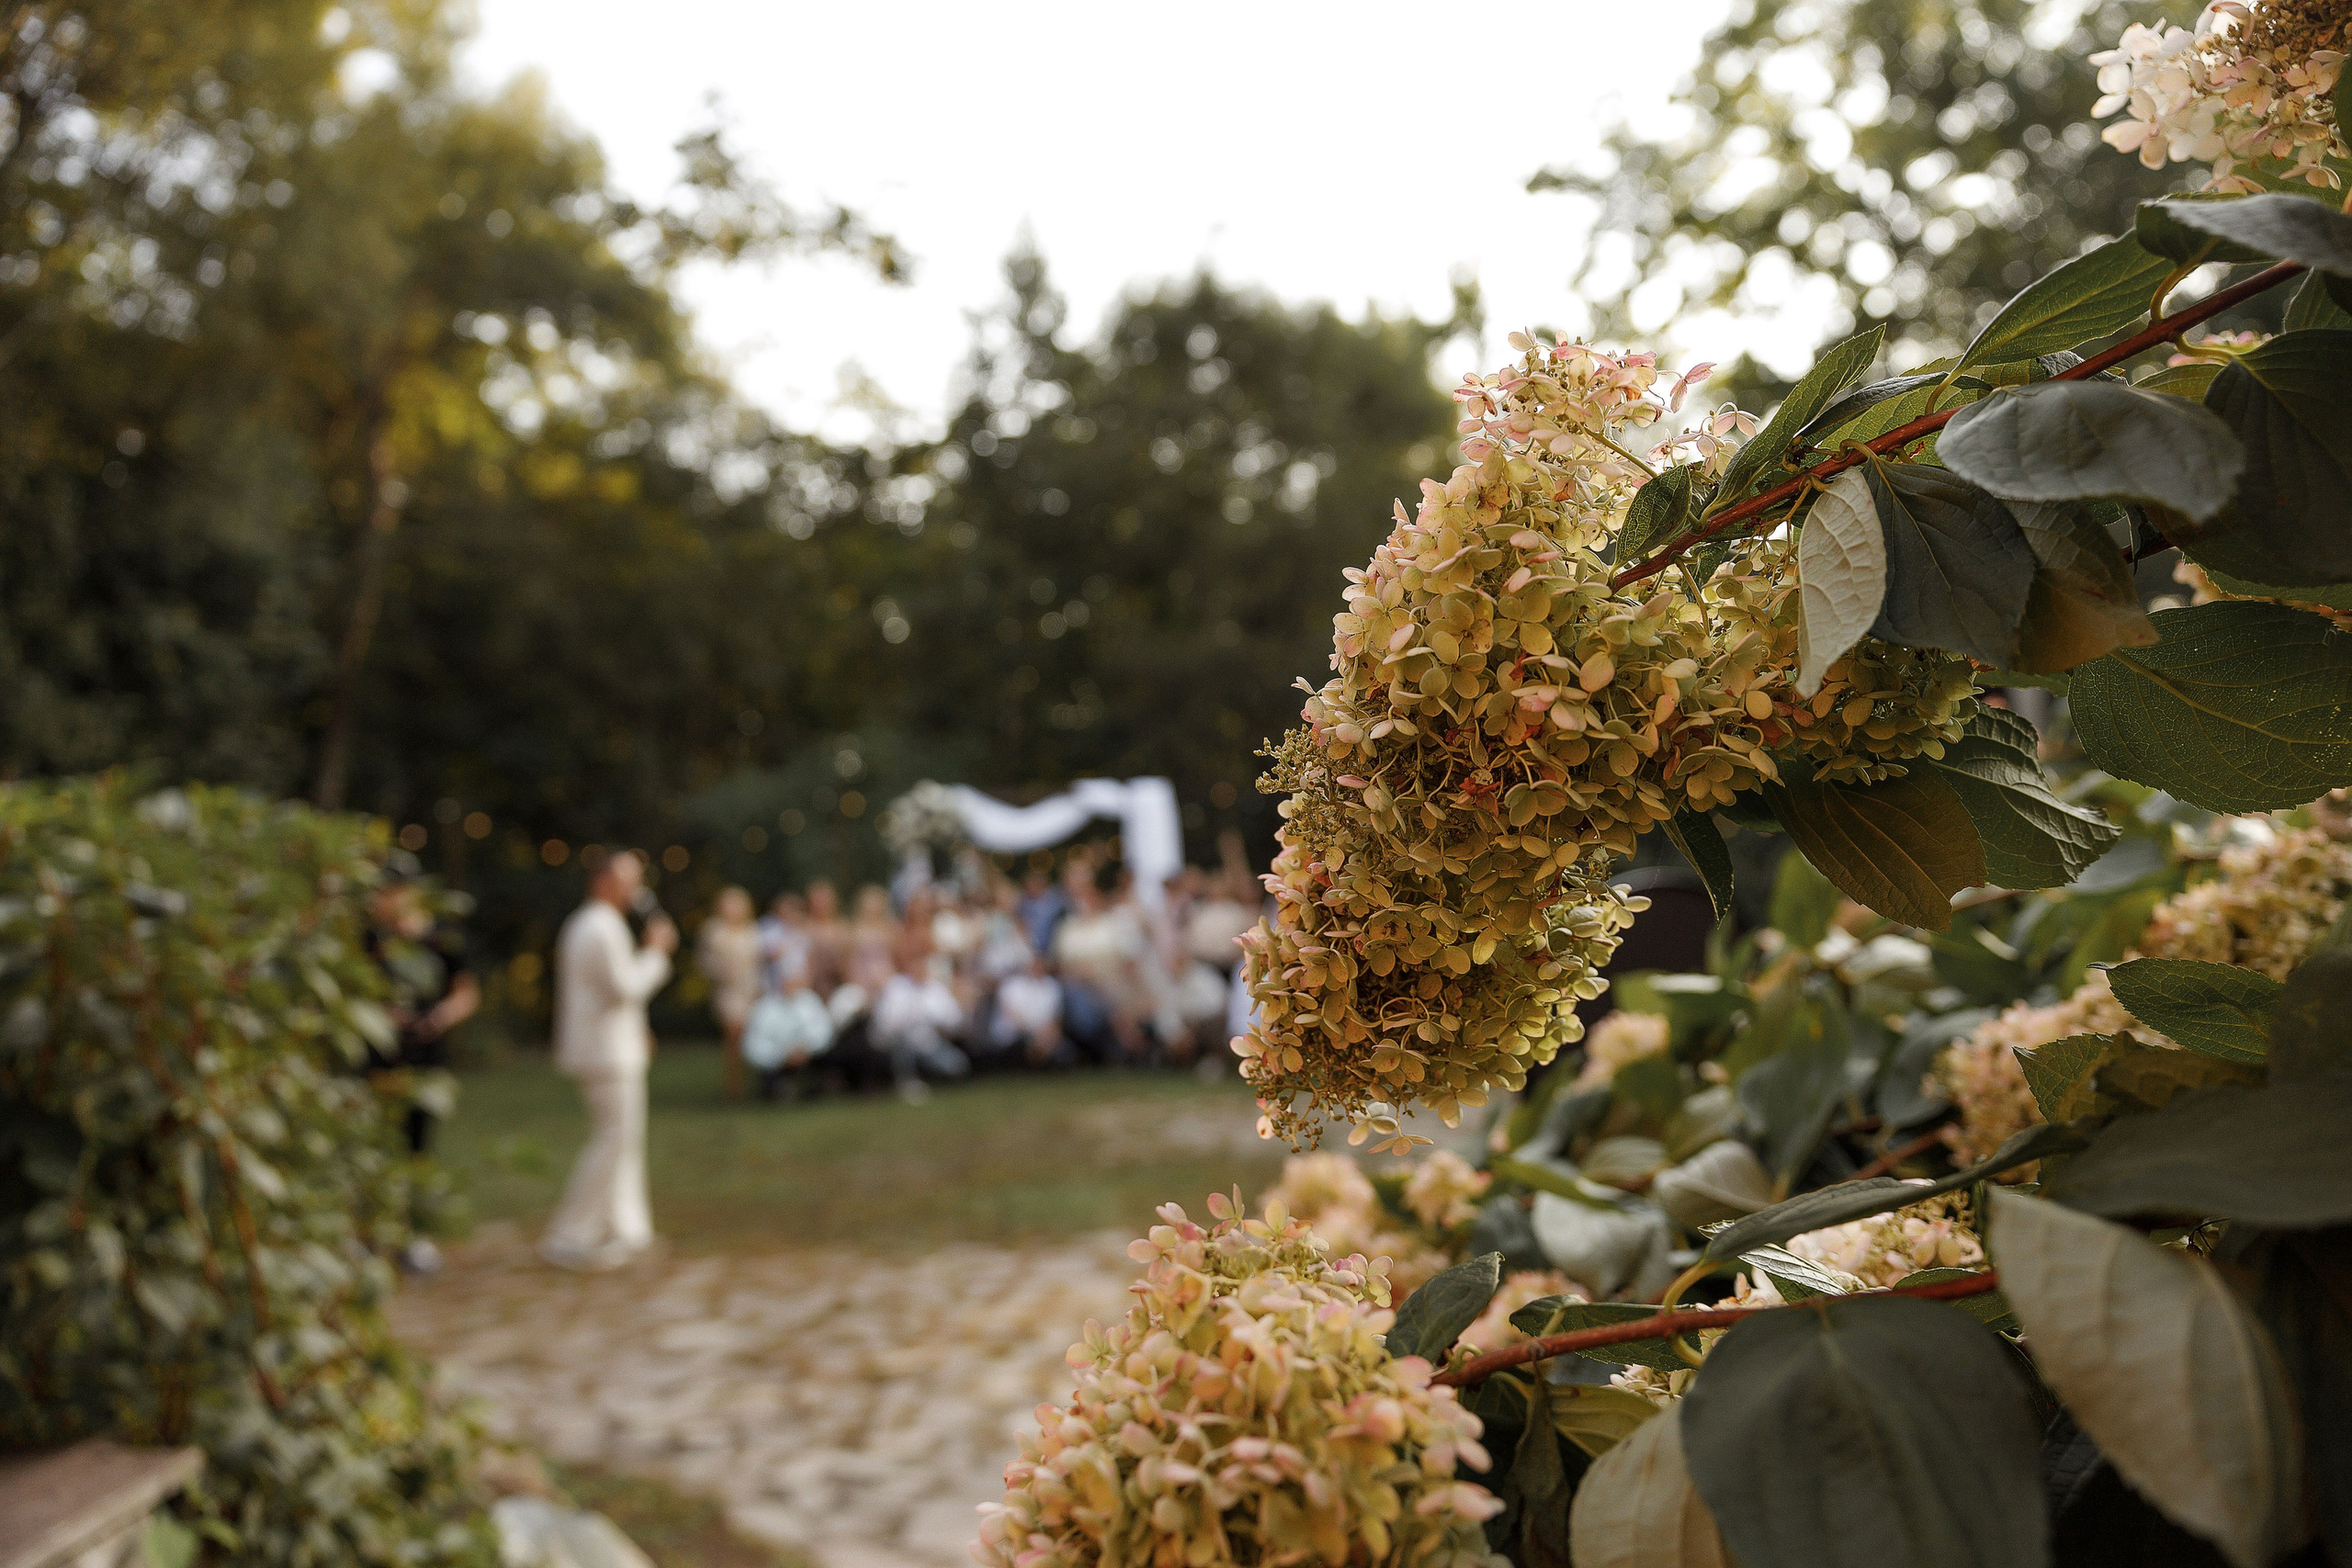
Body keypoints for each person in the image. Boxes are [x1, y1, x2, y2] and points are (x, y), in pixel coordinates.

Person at [540, 850, 676, 1271]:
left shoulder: (594, 924)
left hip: (612, 1049)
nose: (636, 889)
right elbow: (623, 987)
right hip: (604, 1054)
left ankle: (626, 1230)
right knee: (613, 1140)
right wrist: (656, 954)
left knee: (623, 1140)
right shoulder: (599, 927)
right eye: (628, 879)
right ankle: (570, 1233)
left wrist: (638, 1030)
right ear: (604, 882)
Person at [365, 872, 480, 1274]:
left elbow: (466, 990)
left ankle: (413, 1235)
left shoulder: (440, 938)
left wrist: (441, 1015)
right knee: (378, 1148)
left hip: (427, 1060)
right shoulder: (372, 941)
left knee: (418, 1147)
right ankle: (376, 1235)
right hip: (380, 1061)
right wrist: (382, 1015)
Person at [696, 886, 762, 1100]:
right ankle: (734, 1086)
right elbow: (705, 963)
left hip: (750, 990)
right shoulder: (714, 931)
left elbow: (758, 964)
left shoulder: (752, 931)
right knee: (733, 1035)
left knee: (749, 1037)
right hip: (728, 992)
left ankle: (754, 1081)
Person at [988, 949, 1066, 1067]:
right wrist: (1036, 1035)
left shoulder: (1052, 986)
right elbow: (1013, 1018)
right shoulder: (1011, 985)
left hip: (1043, 1036)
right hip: (1014, 1036)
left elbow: (1056, 1019)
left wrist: (1046, 1036)